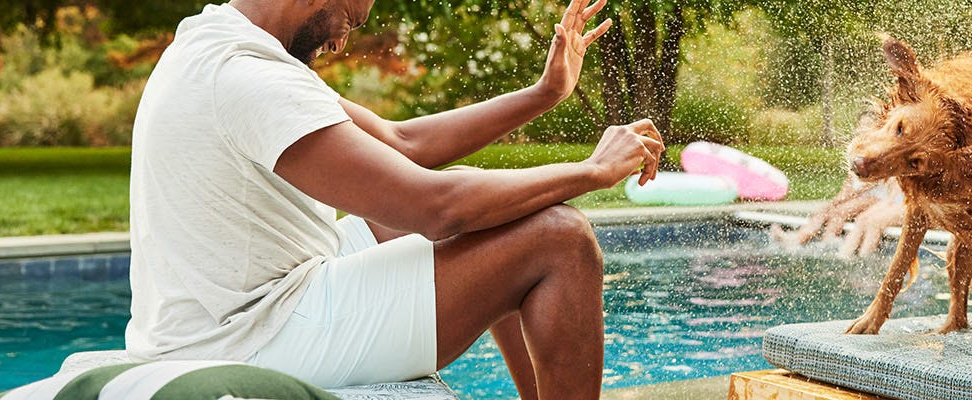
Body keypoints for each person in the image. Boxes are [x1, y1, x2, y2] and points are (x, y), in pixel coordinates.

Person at [124, 0, 656, 398]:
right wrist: (593, 171)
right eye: (349, 20)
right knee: (559, 239)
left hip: (238, 309)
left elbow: (405, 143)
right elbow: (434, 207)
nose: (342, 42)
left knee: (500, 209)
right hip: (248, 338)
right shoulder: (245, 75)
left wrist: (545, 94)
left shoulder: (218, 40)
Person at [769, 175, 905, 257]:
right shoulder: (854, 162)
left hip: (872, 198)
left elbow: (867, 187)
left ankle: (830, 244)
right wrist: (836, 201)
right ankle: (802, 238)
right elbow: (846, 188)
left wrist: (841, 200)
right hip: (859, 199)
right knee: (826, 211)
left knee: (841, 212)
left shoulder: (875, 158)